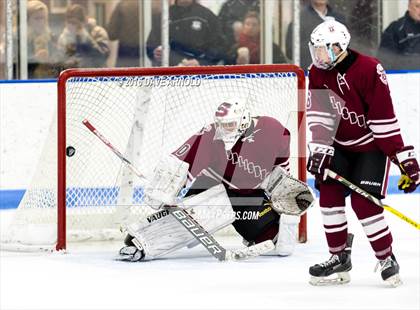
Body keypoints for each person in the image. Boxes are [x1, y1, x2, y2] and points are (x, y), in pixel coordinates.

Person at [118, 98, 310, 261]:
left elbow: (281, 166)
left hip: (248, 195)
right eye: (221, 124)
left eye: (229, 124)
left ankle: (267, 226)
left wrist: (278, 189)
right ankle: (143, 239)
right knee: (189, 220)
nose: (223, 129)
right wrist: (165, 189)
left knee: (276, 240)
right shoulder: (210, 134)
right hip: (212, 186)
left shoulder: (275, 131)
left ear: (244, 119)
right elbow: (182, 163)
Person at [306, 20, 420, 287]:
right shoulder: (317, 71)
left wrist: (401, 157)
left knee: (364, 204)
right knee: (329, 198)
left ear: (338, 47)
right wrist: (320, 150)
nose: (318, 56)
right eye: (316, 50)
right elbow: (320, 117)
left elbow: (383, 119)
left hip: (370, 148)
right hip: (338, 147)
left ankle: (386, 257)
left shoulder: (369, 69)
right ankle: (338, 257)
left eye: (322, 50)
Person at [146, 0, 226, 66]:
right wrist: (155, 52)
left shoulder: (208, 17)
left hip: (200, 76)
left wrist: (200, 63)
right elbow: (151, 46)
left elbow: (219, 49)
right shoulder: (163, 16)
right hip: (169, 76)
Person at [286, 0, 345, 70]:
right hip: (310, 73)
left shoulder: (339, 19)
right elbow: (290, 52)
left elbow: (348, 47)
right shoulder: (299, 20)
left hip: (337, 72)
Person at [57, 4, 110, 68]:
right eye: (69, 23)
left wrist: (85, 38)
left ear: (84, 22)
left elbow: (103, 56)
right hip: (74, 75)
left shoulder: (98, 32)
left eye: (74, 23)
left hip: (96, 74)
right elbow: (59, 60)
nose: (72, 27)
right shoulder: (64, 37)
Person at [377, 0, 420, 70]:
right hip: (405, 78)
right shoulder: (395, 29)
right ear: (409, 6)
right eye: (418, 6)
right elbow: (385, 63)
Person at [27, 0, 57, 78]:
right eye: (37, 18)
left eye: (43, 18)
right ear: (27, 20)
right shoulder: (20, 39)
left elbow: (59, 59)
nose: (41, 22)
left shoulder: (51, 37)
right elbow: (16, 65)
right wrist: (35, 59)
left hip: (50, 80)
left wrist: (51, 60)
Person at [106, 0, 141, 67]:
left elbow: (112, 34)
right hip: (151, 55)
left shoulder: (123, 5)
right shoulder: (156, 5)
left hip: (126, 54)